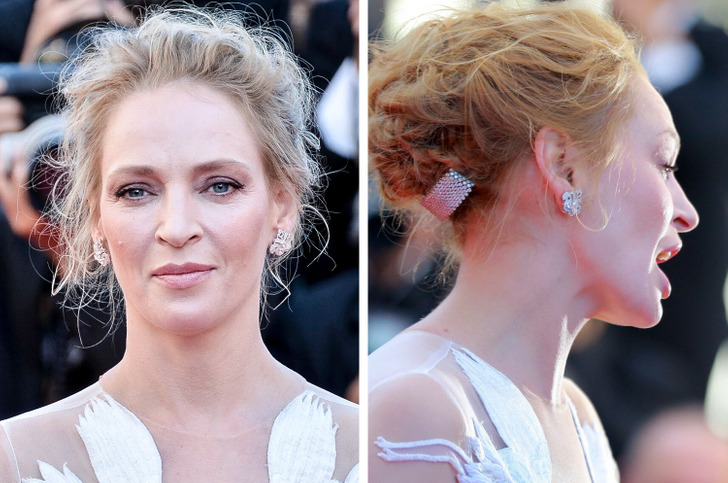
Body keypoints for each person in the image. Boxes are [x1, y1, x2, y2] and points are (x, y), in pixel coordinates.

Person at [0, 8, 358, 482]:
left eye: (220, 186)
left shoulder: (372, 453)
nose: (176, 227)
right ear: (95, 218)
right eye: (136, 191)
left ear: (283, 205)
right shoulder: (14, 459)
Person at [368, 2, 698, 481]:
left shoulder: (579, 417)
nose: (687, 213)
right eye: (665, 164)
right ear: (563, 166)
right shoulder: (417, 409)